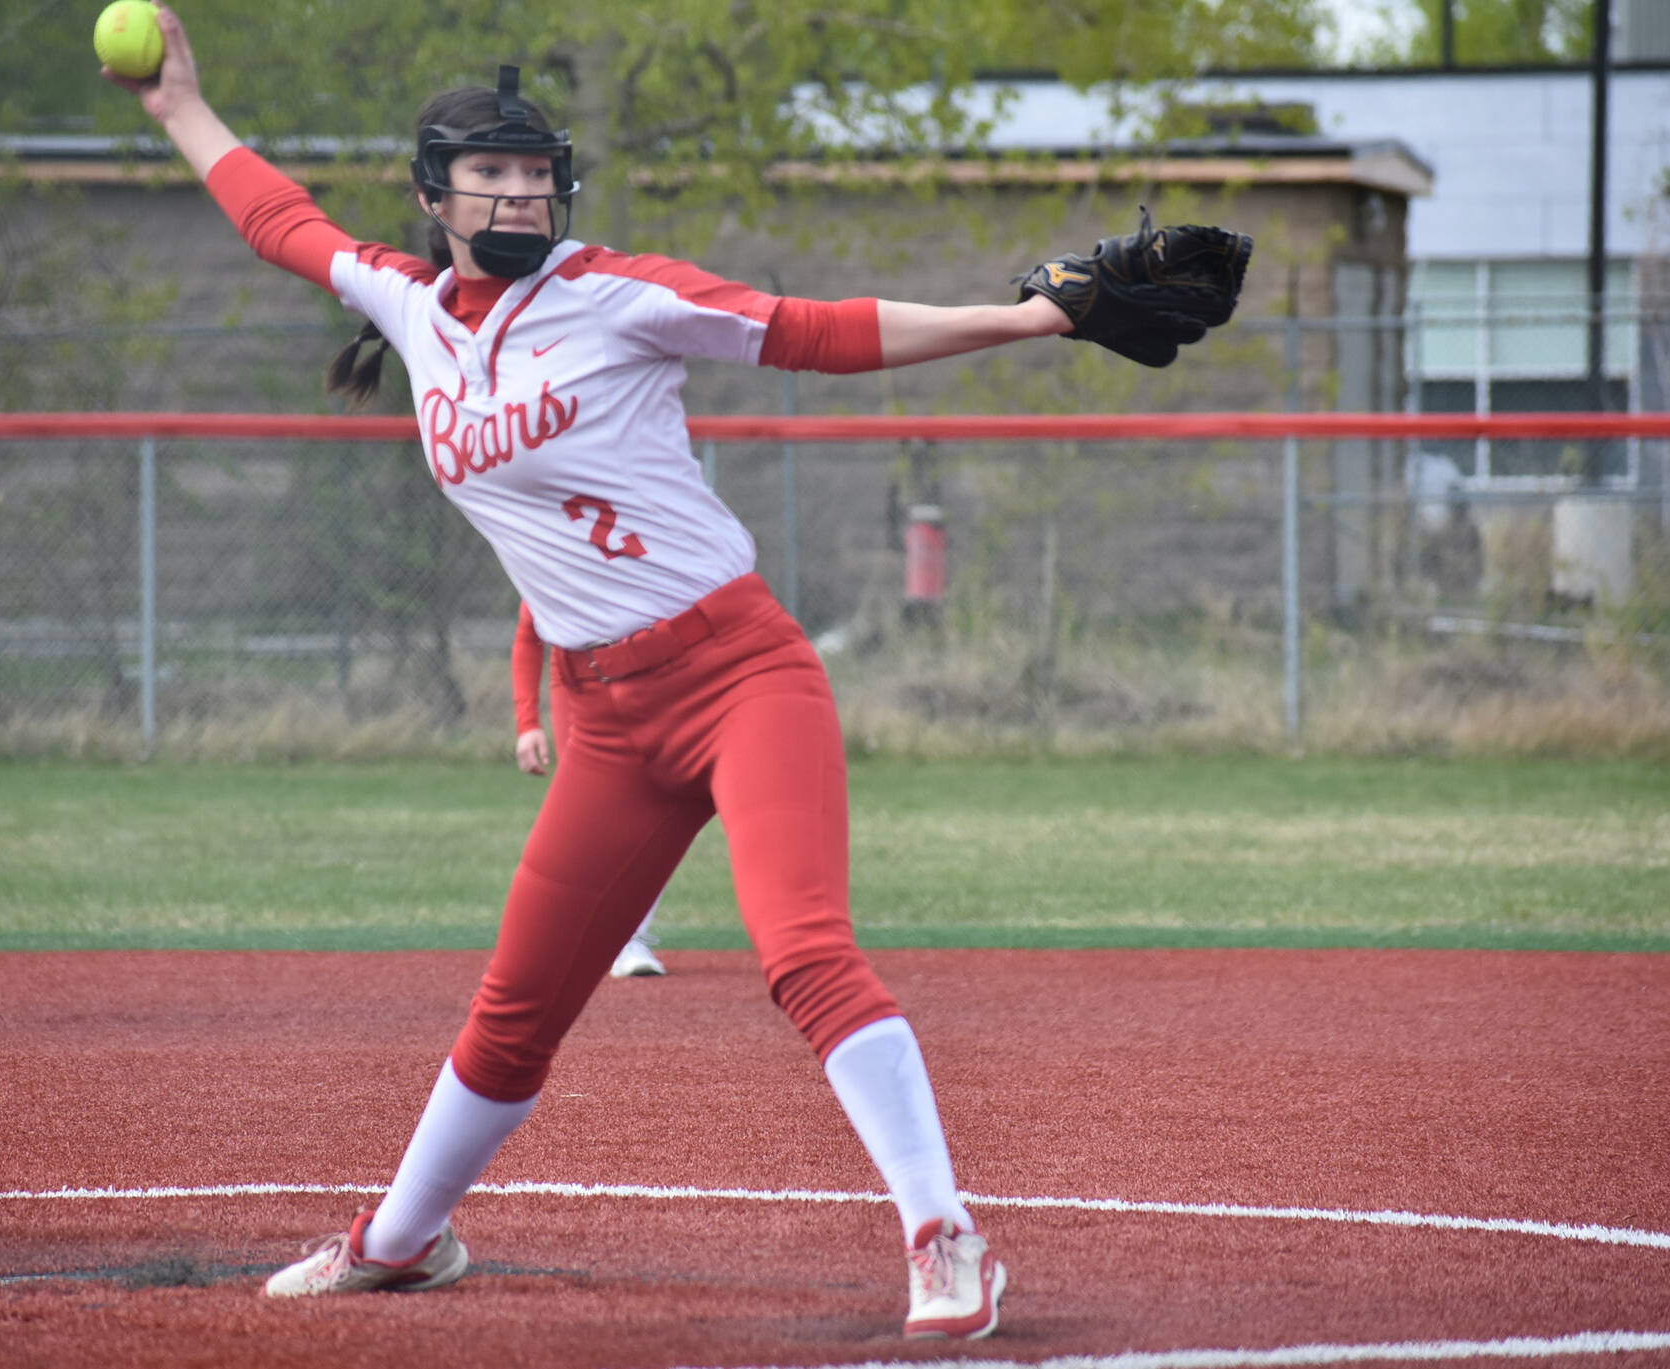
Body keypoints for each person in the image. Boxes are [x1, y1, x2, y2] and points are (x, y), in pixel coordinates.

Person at [109, 6, 1239, 1340]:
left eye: (538, 173)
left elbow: (817, 331)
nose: (522, 190)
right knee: (516, 1007)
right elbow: (277, 219)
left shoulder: (610, 292)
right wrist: (182, 108)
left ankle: (947, 1241)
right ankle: (402, 1241)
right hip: (606, 721)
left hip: (739, 674)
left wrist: (1032, 320)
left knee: (804, 953)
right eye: (492, 175)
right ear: (434, 197)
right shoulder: (410, 308)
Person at [513, 600, 667, 978]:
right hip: (579, 679)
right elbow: (529, 635)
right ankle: (580, 934)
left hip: (651, 679)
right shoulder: (559, 550)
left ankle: (629, 936)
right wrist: (528, 723)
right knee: (591, 817)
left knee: (660, 808)